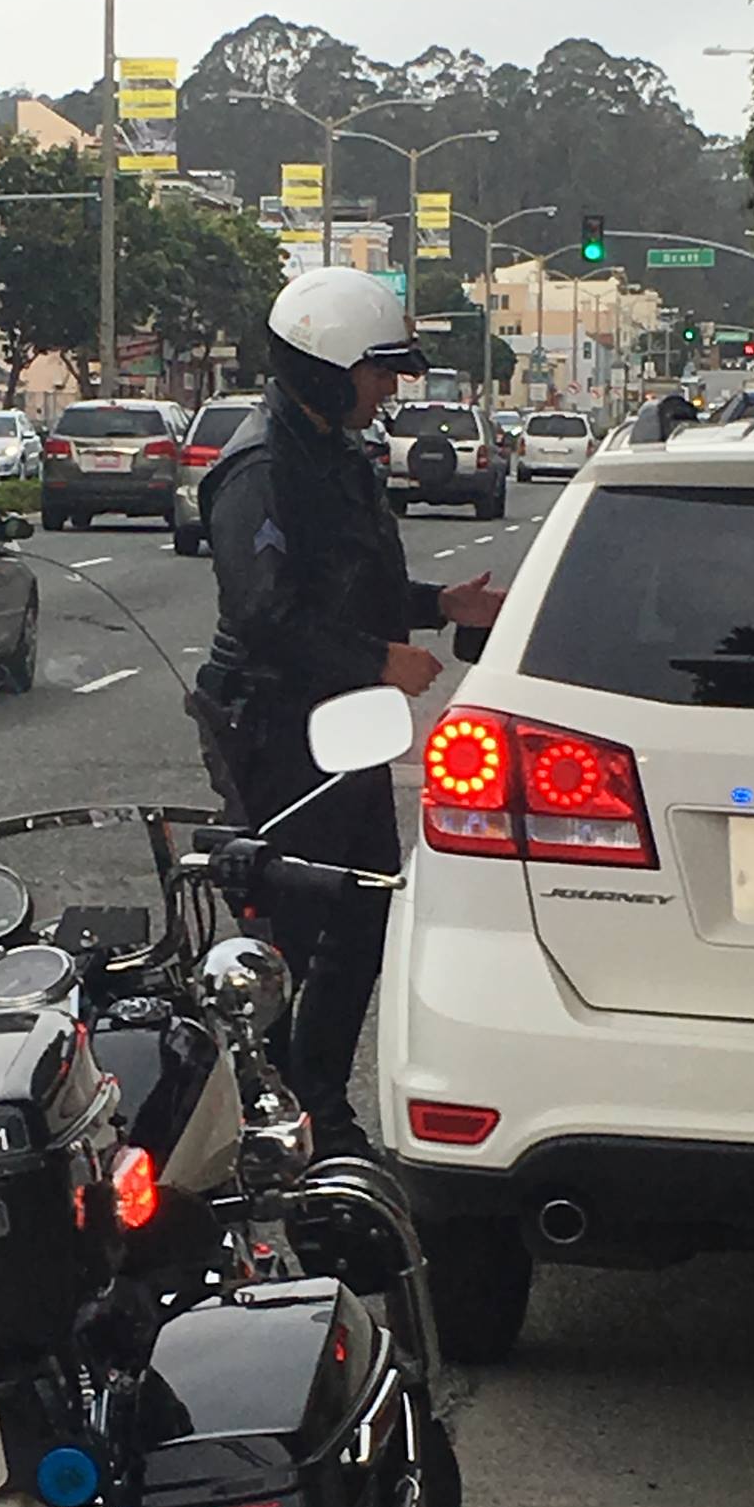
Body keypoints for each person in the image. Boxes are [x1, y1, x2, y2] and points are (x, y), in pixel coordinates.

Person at [191, 267, 506, 1161]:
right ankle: (275, 1109)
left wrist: (442, 604)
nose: (393, 387)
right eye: (381, 370)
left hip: (340, 717)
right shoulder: (261, 466)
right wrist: (378, 660)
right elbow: (265, 612)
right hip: (275, 724)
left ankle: (311, 1099)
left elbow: (348, 587)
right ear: (328, 366)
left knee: (361, 907)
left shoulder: (330, 449)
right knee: (293, 925)